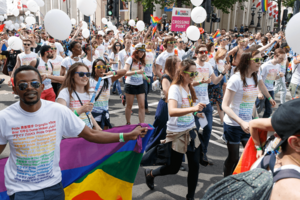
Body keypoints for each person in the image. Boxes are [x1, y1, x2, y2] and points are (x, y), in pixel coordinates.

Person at [0, 65, 147, 200]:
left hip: (54, 187)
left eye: (35, 84)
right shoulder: (5, 118)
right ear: (14, 90)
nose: (29, 88)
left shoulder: (57, 111)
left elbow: (92, 134)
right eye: (23, 85)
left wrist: (126, 136)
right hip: (22, 191)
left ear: (41, 86)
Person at [144, 60, 206, 200]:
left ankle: (190, 197)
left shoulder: (188, 86)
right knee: (173, 168)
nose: (194, 75)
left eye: (196, 73)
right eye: (192, 73)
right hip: (177, 133)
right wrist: (193, 109)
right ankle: (150, 173)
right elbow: (171, 111)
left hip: (191, 130)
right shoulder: (174, 88)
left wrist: (195, 113)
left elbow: (185, 108)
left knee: (195, 166)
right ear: (183, 73)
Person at [222, 49, 276, 177]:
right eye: (256, 60)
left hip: (249, 124)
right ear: (247, 61)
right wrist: (241, 122)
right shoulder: (235, 79)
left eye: (260, 60)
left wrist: (256, 119)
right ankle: (225, 179)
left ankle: (239, 179)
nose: (259, 63)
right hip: (233, 125)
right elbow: (225, 106)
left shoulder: (256, 77)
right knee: (234, 157)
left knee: (252, 155)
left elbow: (251, 102)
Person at [249, 99, 300, 199]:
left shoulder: (264, 160)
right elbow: (253, 124)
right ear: (296, 143)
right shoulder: (295, 192)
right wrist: (258, 147)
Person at [193, 44, 229, 164]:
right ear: (196, 53)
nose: (204, 54)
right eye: (201, 52)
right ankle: (193, 154)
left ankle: (203, 152)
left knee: (207, 129)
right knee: (195, 130)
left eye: (206, 52)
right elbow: (188, 83)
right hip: (194, 104)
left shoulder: (208, 65)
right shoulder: (192, 65)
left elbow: (214, 81)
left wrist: (223, 73)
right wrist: (200, 82)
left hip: (206, 104)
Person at [90, 58, 126, 130]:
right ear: (94, 68)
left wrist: (114, 72)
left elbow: (124, 71)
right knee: (94, 138)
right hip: (92, 115)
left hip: (105, 115)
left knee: (105, 138)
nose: (101, 69)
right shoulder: (89, 81)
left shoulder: (108, 80)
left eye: (104, 67)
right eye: (99, 67)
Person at [256, 48, 285, 118]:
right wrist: (259, 92)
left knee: (269, 110)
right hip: (263, 90)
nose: (282, 60)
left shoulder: (278, 66)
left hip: (271, 90)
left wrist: (279, 76)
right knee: (258, 109)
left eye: (283, 58)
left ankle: (263, 126)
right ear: (275, 56)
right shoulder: (265, 66)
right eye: (281, 58)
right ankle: (252, 123)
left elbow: (273, 78)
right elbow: (258, 80)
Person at [124, 43, 148, 125]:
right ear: (136, 52)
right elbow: (125, 72)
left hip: (140, 84)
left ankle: (142, 124)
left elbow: (142, 73)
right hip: (130, 84)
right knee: (129, 106)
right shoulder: (130, 59)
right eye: (140, 52)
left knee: (142, 106)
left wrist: (146, 78)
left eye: (143, 52)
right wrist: (136, 72)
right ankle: (128, 123)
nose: (142, 54)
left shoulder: (142, 60)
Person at [208, 48, 230, 125]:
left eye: (225, 55)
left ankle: (223, 122)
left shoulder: (222, 61)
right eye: (223, 55)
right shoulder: (212, 61)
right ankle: (207, 121)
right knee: (208, 104)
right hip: (210, 85)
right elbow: (210, 74)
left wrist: (224, 82)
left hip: (218, 85)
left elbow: (223, 74)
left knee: (220, 103)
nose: (224, 56)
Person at [144, 40, 156, 114]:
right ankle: (146, 107)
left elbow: (153, 65)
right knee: (144, 92)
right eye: (148, 44)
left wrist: (154, 74)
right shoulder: (143, 53)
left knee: (149, 90)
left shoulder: (152, 54)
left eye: (150, 44)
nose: (149, 45)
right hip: (144, 75)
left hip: (150, 75)